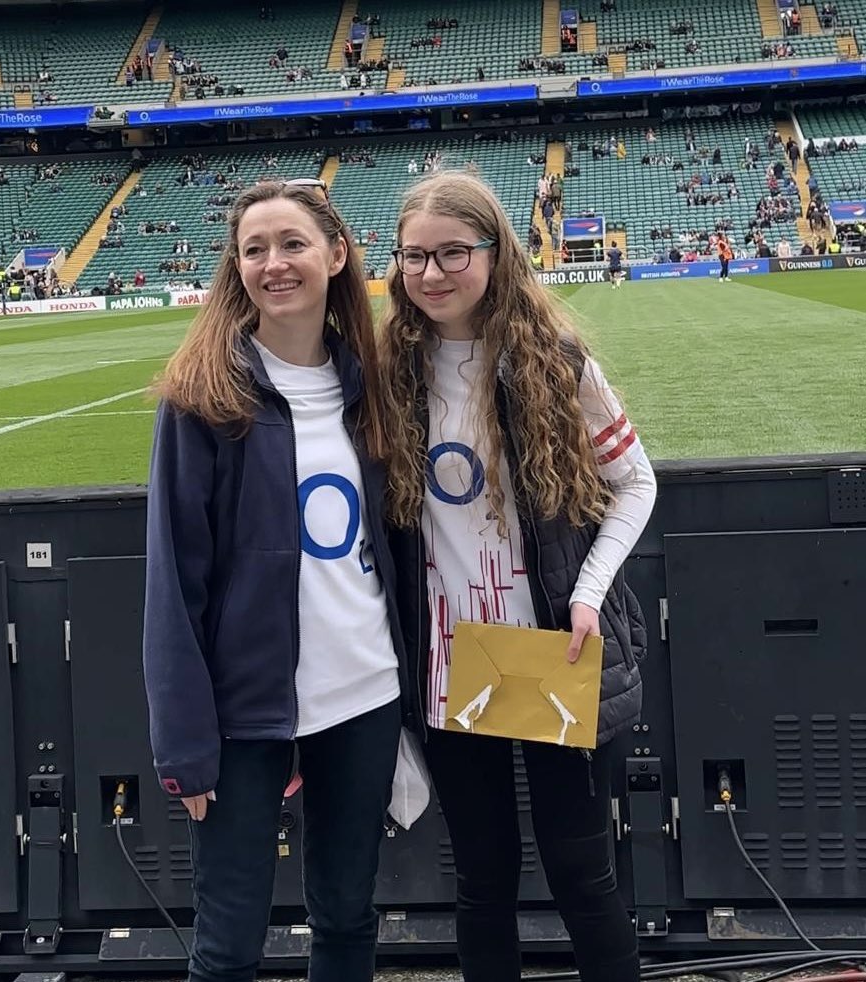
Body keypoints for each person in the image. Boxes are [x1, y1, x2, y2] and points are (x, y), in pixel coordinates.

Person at [377, 171, 656, 982]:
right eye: (414, 257)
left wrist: (587, 592)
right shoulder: (388, 372)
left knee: (583, 876)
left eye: (453, 253)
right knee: (483, 881)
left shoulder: (554, 363)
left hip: (543, 654)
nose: (431, 274)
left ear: (496, 253)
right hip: (452, 662)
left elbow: (635, 481)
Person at [143, 179, 411, 982]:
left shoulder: (371, 384)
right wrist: (184, 743)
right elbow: (173, 580)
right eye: (254, 248)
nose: (273, 263)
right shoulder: (203, 395)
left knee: (346, 918)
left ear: (335, 255)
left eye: (291, 244)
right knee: (227, 946)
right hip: (245, 712)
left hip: (363, 693)